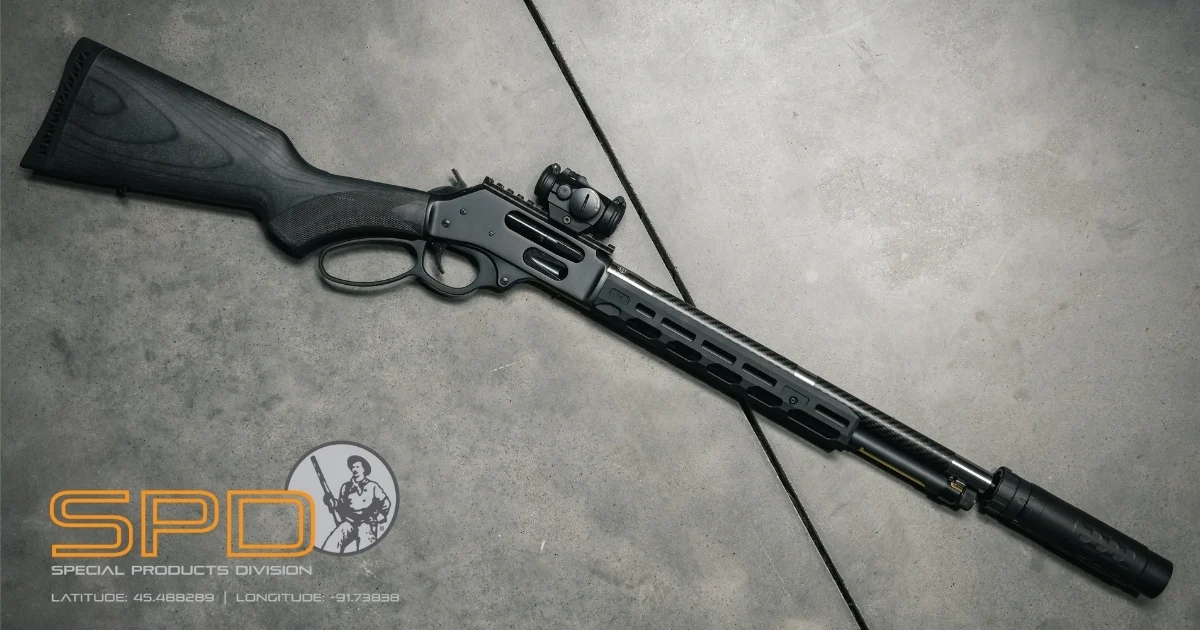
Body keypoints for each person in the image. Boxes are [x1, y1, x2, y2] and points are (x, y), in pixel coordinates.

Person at [320, 455, 392, 553]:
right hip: (349, 522)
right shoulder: (346, 487)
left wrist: (378, 517)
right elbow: (341, 507)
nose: (355, 469)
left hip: (366, 523)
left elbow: (385, 503)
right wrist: (333, 504)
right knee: (331, 544)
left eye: (357, 467)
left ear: (364, 469)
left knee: (367, 548)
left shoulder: (372, 486)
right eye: (353, 467)